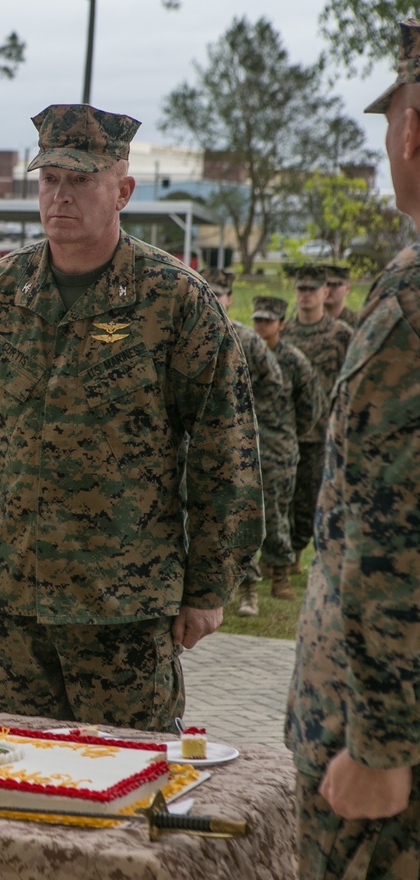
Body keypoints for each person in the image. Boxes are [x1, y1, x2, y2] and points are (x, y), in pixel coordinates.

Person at [0, 104, 263, 730]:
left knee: (128, 791)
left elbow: (228, 450)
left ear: (123, 191)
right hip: (13, 607)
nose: (60, 196)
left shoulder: (174, 301)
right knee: (17, 787)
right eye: (49, 179)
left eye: (81, 180)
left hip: (125, 607)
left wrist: (209, 584)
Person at [286, 20, 420, 877]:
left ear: (412, 130)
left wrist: (379, 746)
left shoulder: (408, 306)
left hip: (389, 747)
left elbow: (387, 536)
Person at [203, 267, 287, 613]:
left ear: (230, 298)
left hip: (236, 442)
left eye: (220, 293)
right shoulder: (185, 331)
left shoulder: (245, 338)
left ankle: (249, 587)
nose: (215, 298)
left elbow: (273, 383)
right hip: (196, 443)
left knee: (240, 512)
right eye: (209, 290)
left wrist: (250, 421)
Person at [250, 296, 326, 614]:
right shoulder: (241, 352)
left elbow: (311, 408)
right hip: (246, 447)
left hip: (279, 451)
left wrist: (289, 436)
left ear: (282, 324)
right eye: (257, 319)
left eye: (268, 320)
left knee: (278, 515)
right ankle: (246, 581)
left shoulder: (294, 360)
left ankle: (280, 575)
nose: (261, 325)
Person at [280, 264, 354, 575]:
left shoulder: (342, 335)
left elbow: (351, 381)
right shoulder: (284, 332)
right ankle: (284, 557)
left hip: (324, 432)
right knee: (283, 496)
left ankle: (307, 555)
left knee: (314, 499)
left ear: (326, 292)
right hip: (286, 429)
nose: (306, 295)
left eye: (313, 289)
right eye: (301, 289)